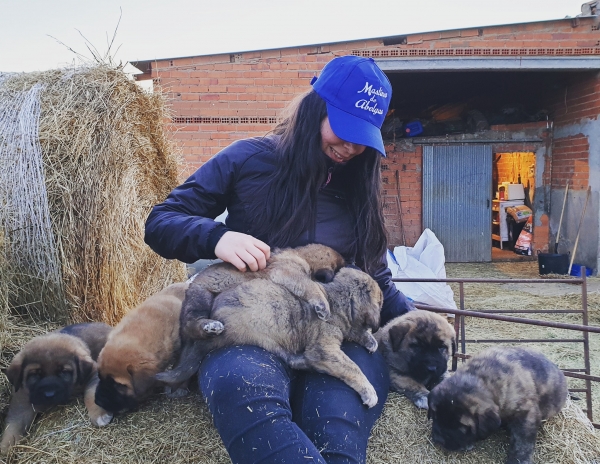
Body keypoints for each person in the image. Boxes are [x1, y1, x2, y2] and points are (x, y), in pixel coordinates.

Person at [144, 55, 415, 464]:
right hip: (256, 324)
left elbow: (378, 277)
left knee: (337, 416)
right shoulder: (247, 159)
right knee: (242, 387)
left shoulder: (359, 179)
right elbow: (161, 222)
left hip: (335, 331)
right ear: (314, 109)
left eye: (363, 138)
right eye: (343, 131)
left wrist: (420, 327)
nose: (351, 147)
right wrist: (216, 237)